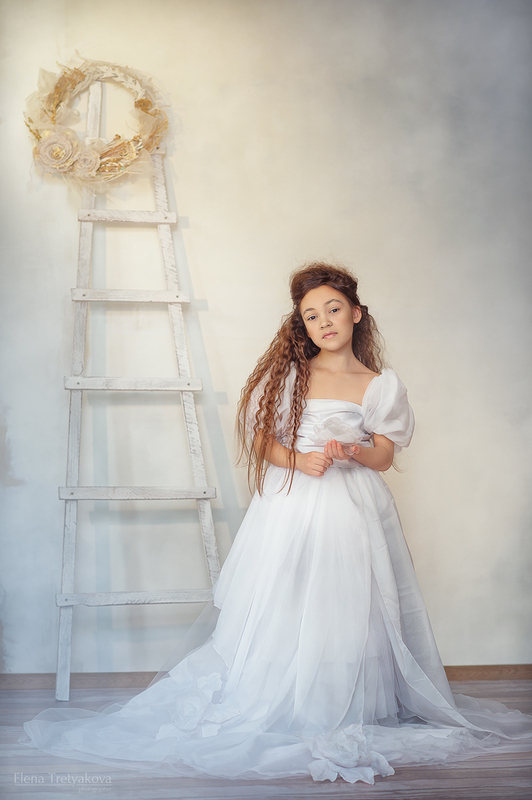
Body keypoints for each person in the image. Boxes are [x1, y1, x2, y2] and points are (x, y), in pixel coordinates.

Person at [20, 263, 532, 784]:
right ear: (302, 325)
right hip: (290, 503)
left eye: (333, 309)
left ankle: (342, 698)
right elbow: (264, 441)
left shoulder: (379, 385)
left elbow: (382, 456)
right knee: (284, 594)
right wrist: (299, 460)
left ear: (356, 314)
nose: (324, 321)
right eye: (311, 315)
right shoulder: (293, 376)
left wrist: (352, 450)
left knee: (347, 600)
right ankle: (280, 694)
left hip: (351, 506)